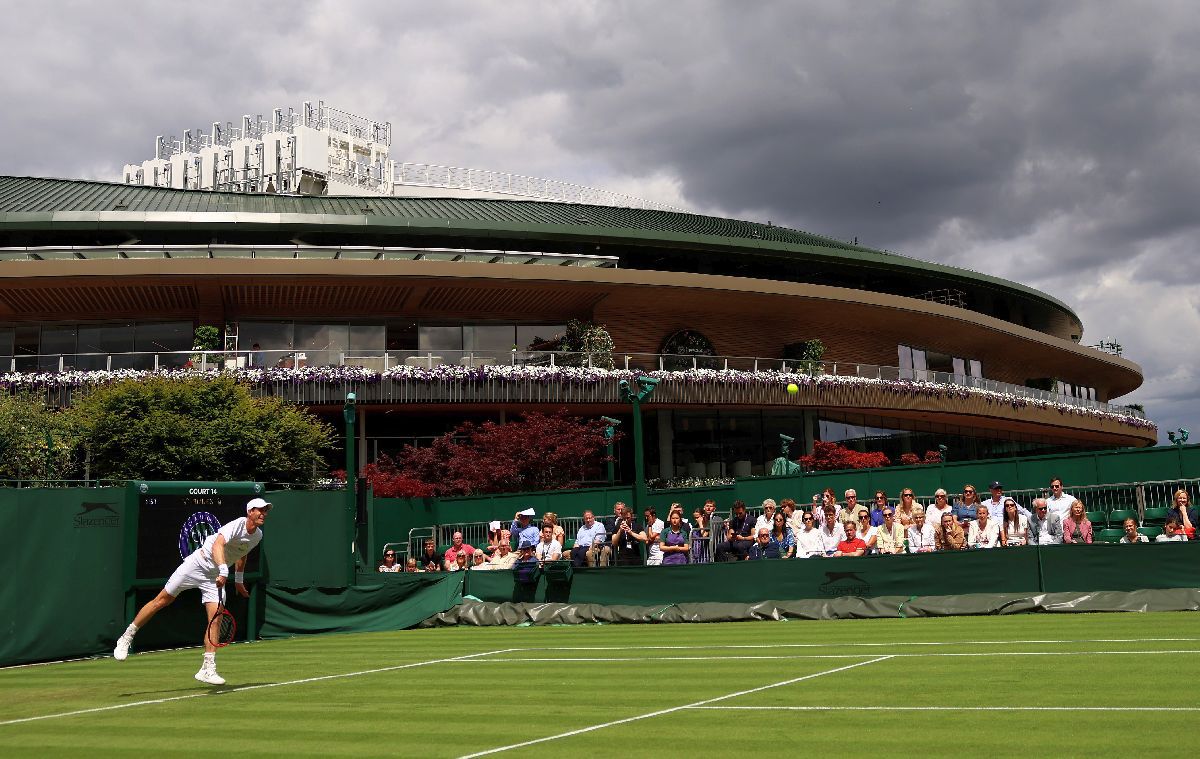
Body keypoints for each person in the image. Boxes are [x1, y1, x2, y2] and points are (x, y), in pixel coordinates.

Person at [113, 497, 272, 686]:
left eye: (265, 510)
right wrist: (223, 569)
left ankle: (207, 668)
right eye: (259, 510)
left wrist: (238, 580)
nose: (263, 514)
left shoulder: (257, 535)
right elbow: (217, 545)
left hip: (214, 576)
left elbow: (241, 554)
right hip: (196, 564)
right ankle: (126, 637)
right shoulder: (237, 524)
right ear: (250, 512)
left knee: (216, 618)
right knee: (161, 601)